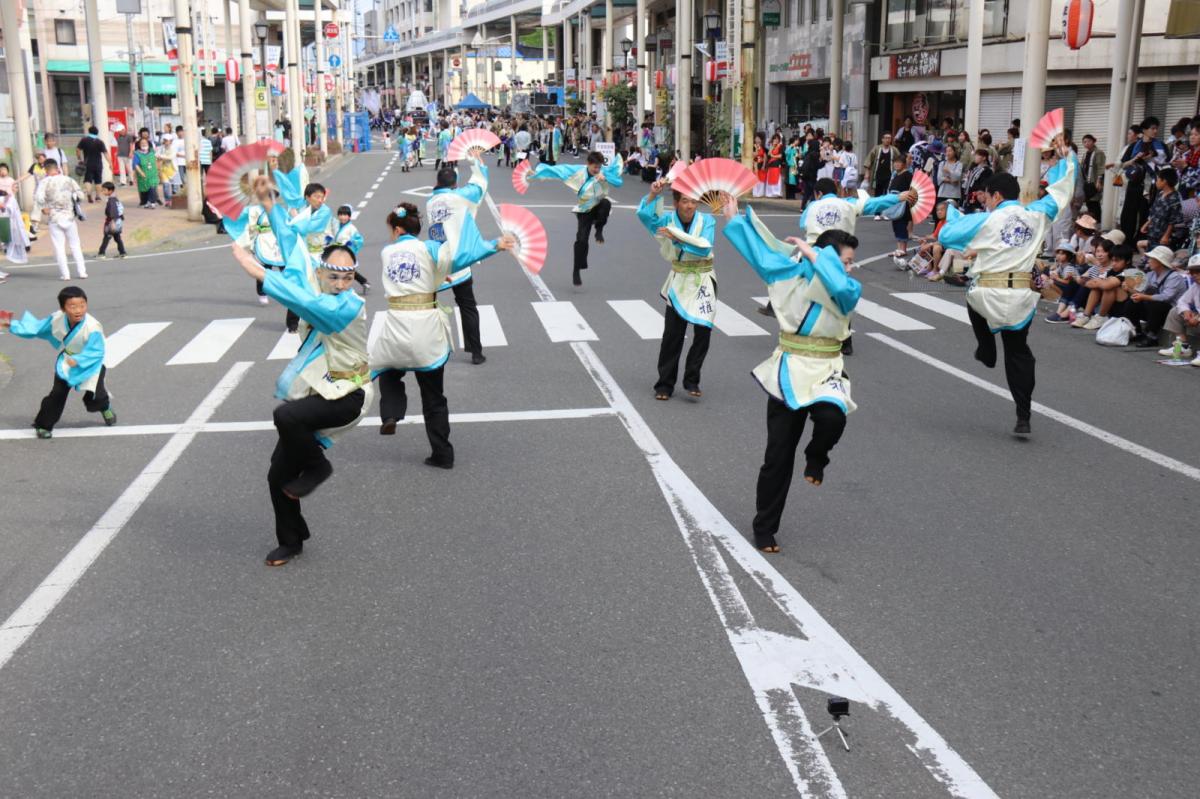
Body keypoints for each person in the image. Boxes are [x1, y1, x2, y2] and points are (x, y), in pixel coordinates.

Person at [228, 177, 373, 567]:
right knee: (277, 477)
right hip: (315, 391)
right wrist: (268, 203)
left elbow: (308, 306)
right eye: (333, 274)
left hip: (347, 395)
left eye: (347, 276)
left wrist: (261, 274)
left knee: (284, 415)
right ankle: (292, 540)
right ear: (322, 271)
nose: (341, 282)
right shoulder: (315, 284)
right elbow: (292, 247)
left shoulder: (347, 306)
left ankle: (318, 464)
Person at [722, 198, 862, 554]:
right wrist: (735, 220)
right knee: (778, 456)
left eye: (849, 262)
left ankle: (817, 456)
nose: (850, 268)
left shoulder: (848, 289)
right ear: (829, 257)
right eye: (845, 261)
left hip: (827, 368)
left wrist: (819, 258)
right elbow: (759, 253)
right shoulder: (787, 273)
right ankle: (764, 526)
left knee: (833, 417)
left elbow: (841, 289)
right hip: (788, 367)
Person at [938, 137, 1077, 436]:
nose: (984, 201)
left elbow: (948, 236)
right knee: (1018, 353)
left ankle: (986, 349)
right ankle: (1023, 414)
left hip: (987, 294)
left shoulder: (986, 220)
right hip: (1021, 298)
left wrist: (953, 215)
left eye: (986, 196)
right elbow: (1062, 191)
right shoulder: (1037, 214)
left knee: (971, 297)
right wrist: (1067, 158)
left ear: (997, 196)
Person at [369, 203, 513, 469]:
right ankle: (442, 454)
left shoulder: (386, 252)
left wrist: (435, 276)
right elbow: (460, 257)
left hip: (396, 325)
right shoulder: (430, 249)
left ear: (398, 229)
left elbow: (408, 279)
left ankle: (391, 413)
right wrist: (494, 245)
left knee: (388, 370)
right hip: (426, 329)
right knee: (434, 396)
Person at [637, 179, 717, 400]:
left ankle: (692, 379)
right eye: (684, 201)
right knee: (673, 333)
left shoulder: (707, 221)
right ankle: (664, 384)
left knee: (703, 332)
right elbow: (646, 217)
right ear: (676, 202)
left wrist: (677, 239)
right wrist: (653, 195)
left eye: (693, 201)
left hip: (703, 279)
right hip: (680, 278)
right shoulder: (668, 220)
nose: (689, 206)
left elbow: (704, 247)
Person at [2, 285, 116, 438]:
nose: (78, 310)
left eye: (82, 305)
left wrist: (79, 360)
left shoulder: (92, 326)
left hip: (91, 364)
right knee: (57, 393)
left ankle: (105, 407)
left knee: (95, 395)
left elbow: (96, 351)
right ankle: (44, 425)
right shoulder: (57, 318)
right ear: (63, 308)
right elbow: (37, 328)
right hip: (67, 361)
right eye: (73, 306)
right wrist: (11, 325)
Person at [526, 150, 624, 286]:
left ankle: (599, 229)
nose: (597, 170)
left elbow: (619, 182)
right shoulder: (577, 171)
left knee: (606, 203)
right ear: (588, 164)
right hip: (584, 209)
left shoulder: (603, 172)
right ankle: (576, 269)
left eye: (599, 167)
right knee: (582, 239)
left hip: (599, 205)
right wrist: (536, 174)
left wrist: (606, 177)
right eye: (595, 167)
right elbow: (557, 171)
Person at [427, 159, 490, 365]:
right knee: (468, 305)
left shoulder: (430, 203)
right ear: (454, 184)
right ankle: (476, 351)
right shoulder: (459, 197)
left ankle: (429, 348)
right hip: (460, 259)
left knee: (429, 305)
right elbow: (478, 187)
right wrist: (477, 163)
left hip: (439, 261)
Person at [35, 159, 88, 281]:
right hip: (69, 216)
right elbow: (81, 195)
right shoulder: (68, 180)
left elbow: (38, 198)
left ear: (46, 169)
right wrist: (74, 201)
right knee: (75, 245)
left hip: (54, 217)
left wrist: (44, 207)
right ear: (57, 167)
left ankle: (66, 274)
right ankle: (82, 272)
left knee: (59, 247)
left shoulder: (44, 182)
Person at [1126, 245, 1189, 347]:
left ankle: (1152, 336)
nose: (1148, 261)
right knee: (1132, 302)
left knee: (1156, 304)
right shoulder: (1151, 274)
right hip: (1153, 310)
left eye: (1151, 259)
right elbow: (1141, 292)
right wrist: (1129, 289)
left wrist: (1143, 297)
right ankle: (1137, 331)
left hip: (1170, 312)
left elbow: (1166, 297)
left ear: (1160, 261)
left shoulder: (1174, 277)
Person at [1158, 255, 1200, 364]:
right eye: (1192, 272)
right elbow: (1182, 301)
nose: (1195, 275)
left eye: (1198, 271)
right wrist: (1186, 312)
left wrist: (1198, 318)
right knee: (1175, 311)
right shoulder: (1196, 286)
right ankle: (1183, 346)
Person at [327, 204, 370, 294]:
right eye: (341, 214)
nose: (343, 217)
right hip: (336, 250)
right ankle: (336, 286)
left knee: (346, 270)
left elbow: (359, 240)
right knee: (336, 268)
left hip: (346, 251)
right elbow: (331, 232)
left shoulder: (352, 229)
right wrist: (328, 239)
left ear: (349, 216)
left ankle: (363, 282)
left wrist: (349, 243)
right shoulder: (336, 225)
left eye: (345, 215)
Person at [75, 126, 107, 203]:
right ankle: (98, 196)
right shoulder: (100, 142)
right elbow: (105, 153)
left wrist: (79, 158)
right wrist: (110, 163)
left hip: (87, 164)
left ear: (89, 132)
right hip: (98, 163)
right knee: (98, 181)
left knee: (88, 180)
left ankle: (89, 193)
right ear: (97, 132)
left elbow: (78, 149)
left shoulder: (84, 140)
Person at [97, 182, 126, 259]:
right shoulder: (115, 198)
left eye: (104, 190)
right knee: (117, 237)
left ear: (110, 191)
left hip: (112, 221)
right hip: (118, 221)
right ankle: (122, 252)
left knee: (106, 237)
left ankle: (101, 253)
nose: (103, 192)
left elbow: (112, 211)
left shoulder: (111, 200)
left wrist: (112, 222)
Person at [1079, 133, 1105, 220]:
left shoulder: (1099, 153)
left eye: (1088, 141)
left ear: (1093, 141)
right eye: (1084, 142)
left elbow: (1101, 167)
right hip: (1086, 182)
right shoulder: (1085, 154)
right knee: (1089, 203)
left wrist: (1099, 181)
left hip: (1094, 182)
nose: (1086, 143)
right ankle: (1092, 222)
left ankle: (1097, 222)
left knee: (1094, 202)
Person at [865, 133, 897, 201]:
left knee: (887, 193)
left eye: (889, 138)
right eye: (886, 138)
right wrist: (867, 173)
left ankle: (885, 209)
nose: (888, 140)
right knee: (878, 193)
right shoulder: (877, 148)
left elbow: (899, 159)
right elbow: (869, 160)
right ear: (882, 139)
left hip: (889, 175)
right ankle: (877, 210)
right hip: (878, 175)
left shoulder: (894, 149)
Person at [132, 138, 160, 208]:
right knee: (144, 189)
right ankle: (146, 202)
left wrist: (158, 169)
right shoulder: (137, 154)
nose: (144, 144)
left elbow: (157, 160)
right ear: (139, 145)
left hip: (153, 174)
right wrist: (141, 173)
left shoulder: (153, 152)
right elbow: (136, 165)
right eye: (142, 143)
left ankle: (152, 202)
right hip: (143, 175)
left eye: (145, 143)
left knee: (152, 187)